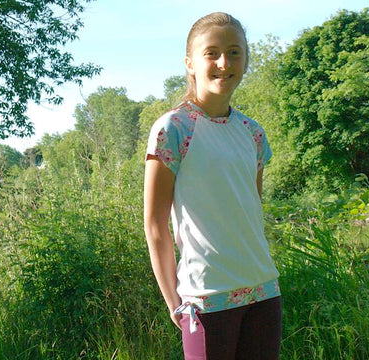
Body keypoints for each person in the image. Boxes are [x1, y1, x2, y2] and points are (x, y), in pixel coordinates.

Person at [143, 11, 282, 360]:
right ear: (190, 62)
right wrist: (174, 301)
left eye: (235, 52)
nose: (224, 62)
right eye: (212, 53)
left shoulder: (253, 133)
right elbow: (155, 225)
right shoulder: (173, 129)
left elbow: (250, 210)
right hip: (205, 299)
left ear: (246, 60)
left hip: (263, 291)